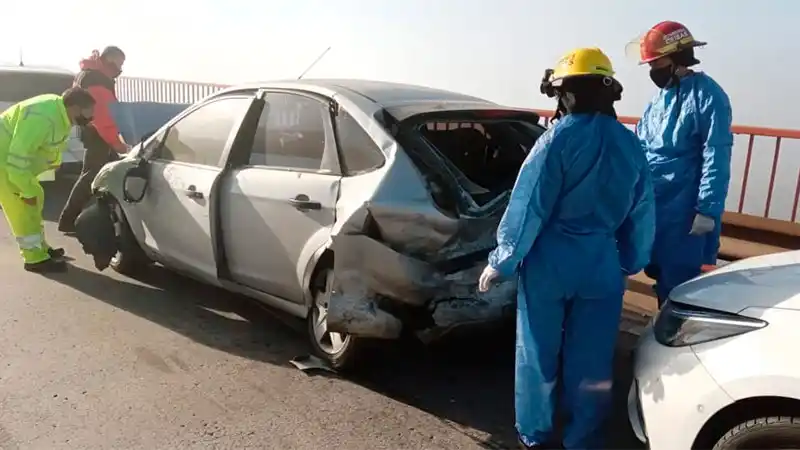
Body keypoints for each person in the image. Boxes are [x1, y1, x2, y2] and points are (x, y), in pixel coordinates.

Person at [477, 48, 655, 449]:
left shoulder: (554, 141)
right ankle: (583, 436)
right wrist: (630, 260)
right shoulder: (630, 145)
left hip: (550, 261)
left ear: (567, 92)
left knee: (537, 352)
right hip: (602, 264)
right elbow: (643, 211)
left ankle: (536, 435)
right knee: (592, 358)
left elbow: (528, 208)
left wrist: (501, 261)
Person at [635, 21, 733, 307]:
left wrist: (708, 209)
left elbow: (717, 154)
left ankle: (675, 343)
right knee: (657, 269)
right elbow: (642, 147)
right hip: (655, 205)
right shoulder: (658, 100)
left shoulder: (708, 95)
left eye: (658, 62)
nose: (654, 71)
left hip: (686, 211)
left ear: (678, 57)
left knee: (682, 285)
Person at [0, 88, 96, 272]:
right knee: (23, 210)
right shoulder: (42, 118)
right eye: (89, 113)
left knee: (35, 202)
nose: (91, 118)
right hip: (5, 165)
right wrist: (25, 191)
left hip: (16, 167)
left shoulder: (58, 111)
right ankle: (34, 259)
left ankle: (41, 249)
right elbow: (17, 158)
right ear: (75, 108)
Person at [58, 46, 130, 233]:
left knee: (96, 174)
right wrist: (117, 143)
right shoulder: (97, 81)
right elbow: (103, 116)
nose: (119, 72)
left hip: (91, 131)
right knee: (93, 176)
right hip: (99, 134)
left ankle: (76, 219)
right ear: (109, 62)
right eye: (118, 66)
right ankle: (72, 220)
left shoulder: (88, 73)